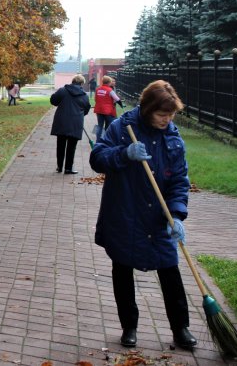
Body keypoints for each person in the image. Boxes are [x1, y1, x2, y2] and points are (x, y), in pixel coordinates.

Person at [89, 80, 196, 350]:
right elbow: (97, 158)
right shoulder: (122, 128)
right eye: (162, 114)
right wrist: (124, 153)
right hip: (124, 213)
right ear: (148, 109)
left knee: (170, 271)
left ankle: (180, 328)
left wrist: (177, 214)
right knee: (122, 270)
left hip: (158, 219)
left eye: (171, 114)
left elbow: (180, 180)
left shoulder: (173, 137)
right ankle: (129, 327)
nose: (167, 119)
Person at [50, 74, 91, 174]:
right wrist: (79, 114)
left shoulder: (63, 90)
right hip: (76, 123)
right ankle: (68, 168)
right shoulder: (84, 95)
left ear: (72, 81)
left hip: (61, 121)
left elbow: (53, 101)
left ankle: (59, 167)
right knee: (72, 146)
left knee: (60, 145)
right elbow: (86, 109)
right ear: (81, 83)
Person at [93, 75, 124, 140]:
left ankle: (98, 140)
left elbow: (95, 99)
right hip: (108, 111)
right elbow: (117, 99)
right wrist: (121, 105)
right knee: (109, 125)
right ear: (109, 82)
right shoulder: (110, 90)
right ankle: (106, 139)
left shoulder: (98, 89)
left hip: (99, 110)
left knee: (100, 126)